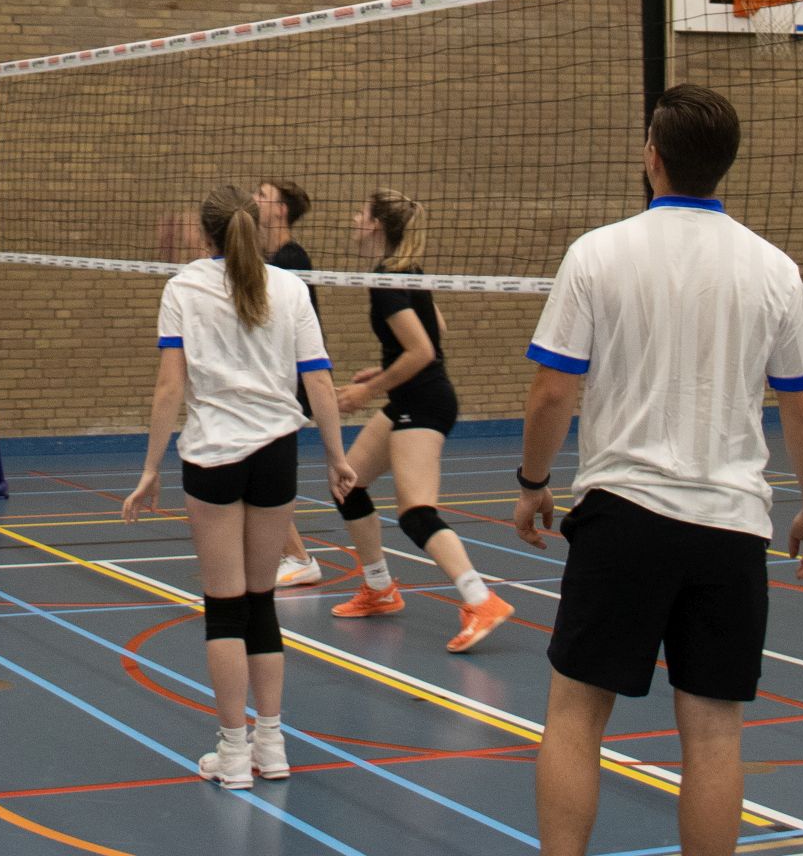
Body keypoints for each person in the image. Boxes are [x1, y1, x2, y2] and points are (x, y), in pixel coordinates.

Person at [511, 85, 803, 856]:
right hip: (730, 527)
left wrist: (532, 484)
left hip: (623, 517)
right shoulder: (774, 269)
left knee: (575, 716)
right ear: (725, 164)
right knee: (715, 734)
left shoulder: (597, 253)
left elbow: (553, 390)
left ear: (651, 157)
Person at [121, 184, 357, 790]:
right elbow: (319, 380)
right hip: (278, 455)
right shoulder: (291, 287)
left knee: (225, 609)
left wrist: (149, 469)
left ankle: (232, 753)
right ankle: (271, 746)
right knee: (261, 603)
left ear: (207, 234)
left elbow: (170, 388)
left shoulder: (184, 287)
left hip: (214, 458)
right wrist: (336, 457)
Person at [323, 188, 516, 652]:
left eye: (360, 213)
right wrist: (387, 366)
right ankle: (379, 588)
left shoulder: (387, 280)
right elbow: (436, 329)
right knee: (347, 485)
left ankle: (481, 600)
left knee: (416, 513)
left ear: (376, 225)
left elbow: (424, 350)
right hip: (411, 396)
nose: (353, 219)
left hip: (424, 402)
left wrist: (370, 388)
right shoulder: (405, 271)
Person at [261, 179, 331, 590]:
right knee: (257, 470)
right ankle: (288, 553)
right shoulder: (269, 257)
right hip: (275, 377)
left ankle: (300, 558)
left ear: (281, 209)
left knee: (262, 471)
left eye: (262, 195)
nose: (255, 200)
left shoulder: (291, 258)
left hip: (290, 379)